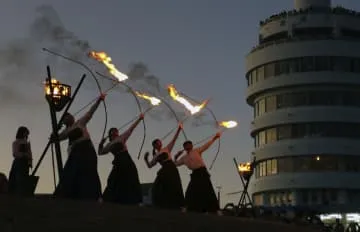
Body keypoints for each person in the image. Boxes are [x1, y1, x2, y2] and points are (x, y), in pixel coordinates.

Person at [52, 93, 105, 201]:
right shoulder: (66, 131)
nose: (69, 118)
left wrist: (99, 100)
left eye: (69, 116)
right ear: (64, 121)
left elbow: (91, 112)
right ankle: (71, 194)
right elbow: (55, 139)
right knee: (73, 172)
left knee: (89, 172)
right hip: (76, 152)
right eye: (66, 118)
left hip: (87, 149)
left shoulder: (80, 122)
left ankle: (91, 196)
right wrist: (57, 130)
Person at [98, 114, 144, 205]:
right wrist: (101, 143)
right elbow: (100, 152)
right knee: (113, 179)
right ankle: (109, 198)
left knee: (130, 178)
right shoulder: (109, 145)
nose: (115, 133)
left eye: (116, 131)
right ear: (110, 134)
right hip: (118, 161)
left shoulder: (121, 137)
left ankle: (134, 200)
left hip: (126, 159)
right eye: (113, 131)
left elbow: (131, 129)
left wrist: (139, 119)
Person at [174, 132, 221, 214]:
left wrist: (214, 138)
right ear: (184, 147)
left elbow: (206, 146)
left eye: (189, 144)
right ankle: (187, 207)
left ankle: (216, 210)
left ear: (192, 146)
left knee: (208, 190)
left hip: (202, 171)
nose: (188, 146)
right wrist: (176, 156)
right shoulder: (184, 158)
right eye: (186, 145)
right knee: (190, 190)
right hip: (195, 174)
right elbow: (175, 164)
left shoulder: (196, 150)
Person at [144, 123, 184, 210]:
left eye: (159, 142)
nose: (159, 143)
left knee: (174, 185)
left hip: (171, 168)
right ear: (155, 146)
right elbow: (150, 166)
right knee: (158, 186)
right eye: (157, 143)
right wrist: (146, 159)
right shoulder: (155, 155)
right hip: (164, 170)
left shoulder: (166, 149)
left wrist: (179, 129)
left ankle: (177, 205)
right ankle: (162, 204)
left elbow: (174, 139)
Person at [8, 126, 32, 196]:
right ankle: (14, 193)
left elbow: (29, 153)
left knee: (23, 178)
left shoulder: (27, 143)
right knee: (16, 178)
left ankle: (22, 193)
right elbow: (15, 153)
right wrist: (23, 155)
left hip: (25, 162)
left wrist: (30, 162)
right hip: (18, 162)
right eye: (25, 133)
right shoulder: (16, 142)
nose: (27, 135)